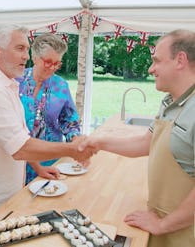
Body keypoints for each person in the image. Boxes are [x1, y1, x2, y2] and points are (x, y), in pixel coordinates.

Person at [0, 25, 93, 231]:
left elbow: (19, 135)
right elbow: (20, 146)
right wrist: (74, 150)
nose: (26, 55)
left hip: (7, 187)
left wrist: (39, 167)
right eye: (20, 48)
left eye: (27, 49)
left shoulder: (7, 84)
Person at [79, 29, 195, 247]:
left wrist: (163, 224)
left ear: (180, 60)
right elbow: (145, 143)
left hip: (184, 231)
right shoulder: (170, 103)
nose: (151, 69)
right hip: (165, 223)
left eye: (157, 61)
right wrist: (99, 141)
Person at [16, 33, 81, 184]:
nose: (53, 68)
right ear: (35, 57)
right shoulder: (15, 81)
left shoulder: (61, 86)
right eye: (48, 62)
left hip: (49, 161)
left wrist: (76, 142)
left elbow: (69, 122)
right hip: (17, 161)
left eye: (57, 63)